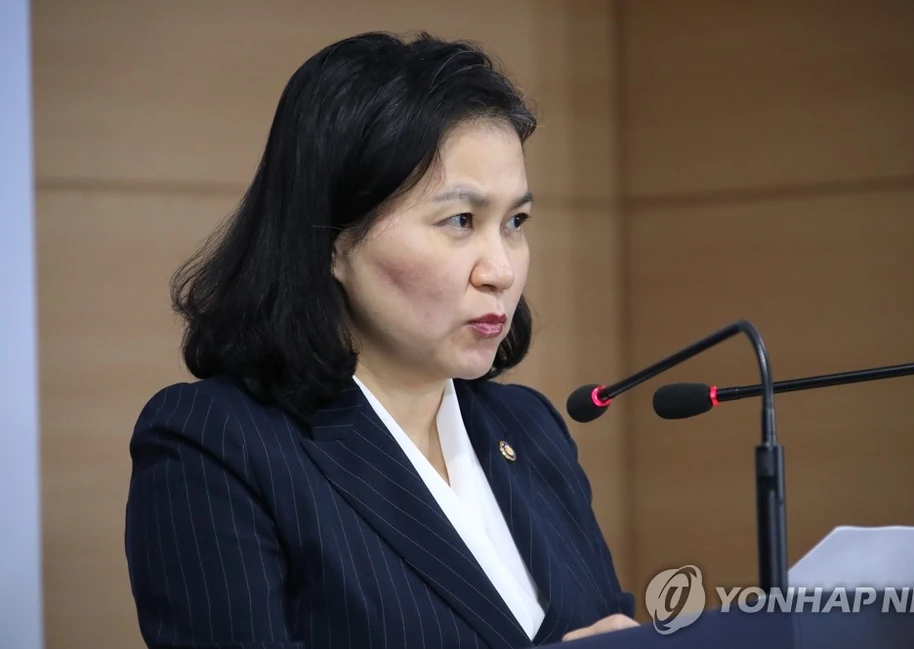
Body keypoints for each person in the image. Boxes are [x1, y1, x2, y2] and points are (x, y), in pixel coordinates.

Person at [123, 31, 637, 649]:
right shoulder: (217, 443)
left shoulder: (529, 428)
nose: (501, 270)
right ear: (333, 240)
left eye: (515, 222)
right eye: (460, 221)